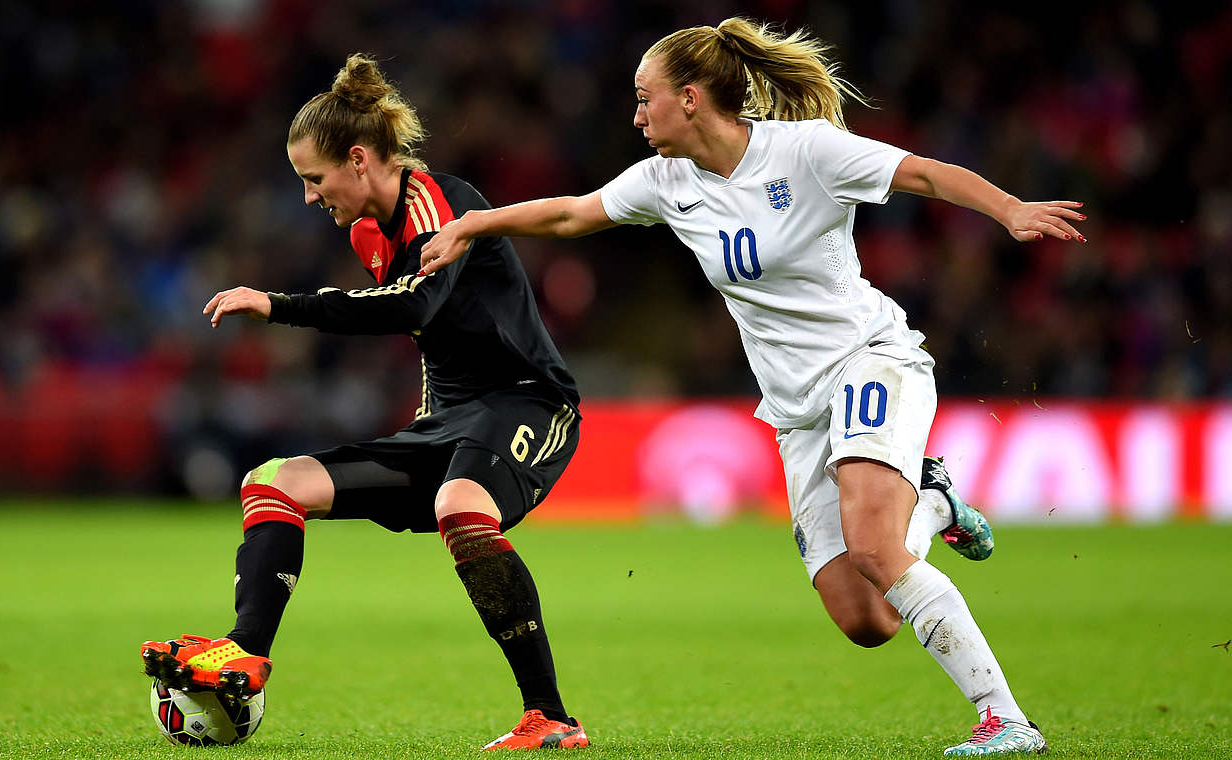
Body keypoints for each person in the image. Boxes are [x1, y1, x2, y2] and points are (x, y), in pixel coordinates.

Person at [419, 17, 1087, 757]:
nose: (636, 116)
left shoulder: (806, 151)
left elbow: (924, 173)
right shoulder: (666, 181)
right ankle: (933, 506)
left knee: (874, 546)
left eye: (644, 98)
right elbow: (573, 214)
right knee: (866, 619)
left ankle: (1006, 720)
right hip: (796, 408)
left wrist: (1011, 210)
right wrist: (474, 224)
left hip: (867, 361)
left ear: (692, 98)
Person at [140, 53, 589, 751]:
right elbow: (424, 325)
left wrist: (278, 304)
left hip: (528, 403)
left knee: (461, 507)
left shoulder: (434, 200)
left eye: (314, 179)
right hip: (447, 423)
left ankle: (550, 717)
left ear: (357, 160)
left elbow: (414, 303)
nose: (309, 198)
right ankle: (246, 651)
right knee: (274, 482)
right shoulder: (366, 232)